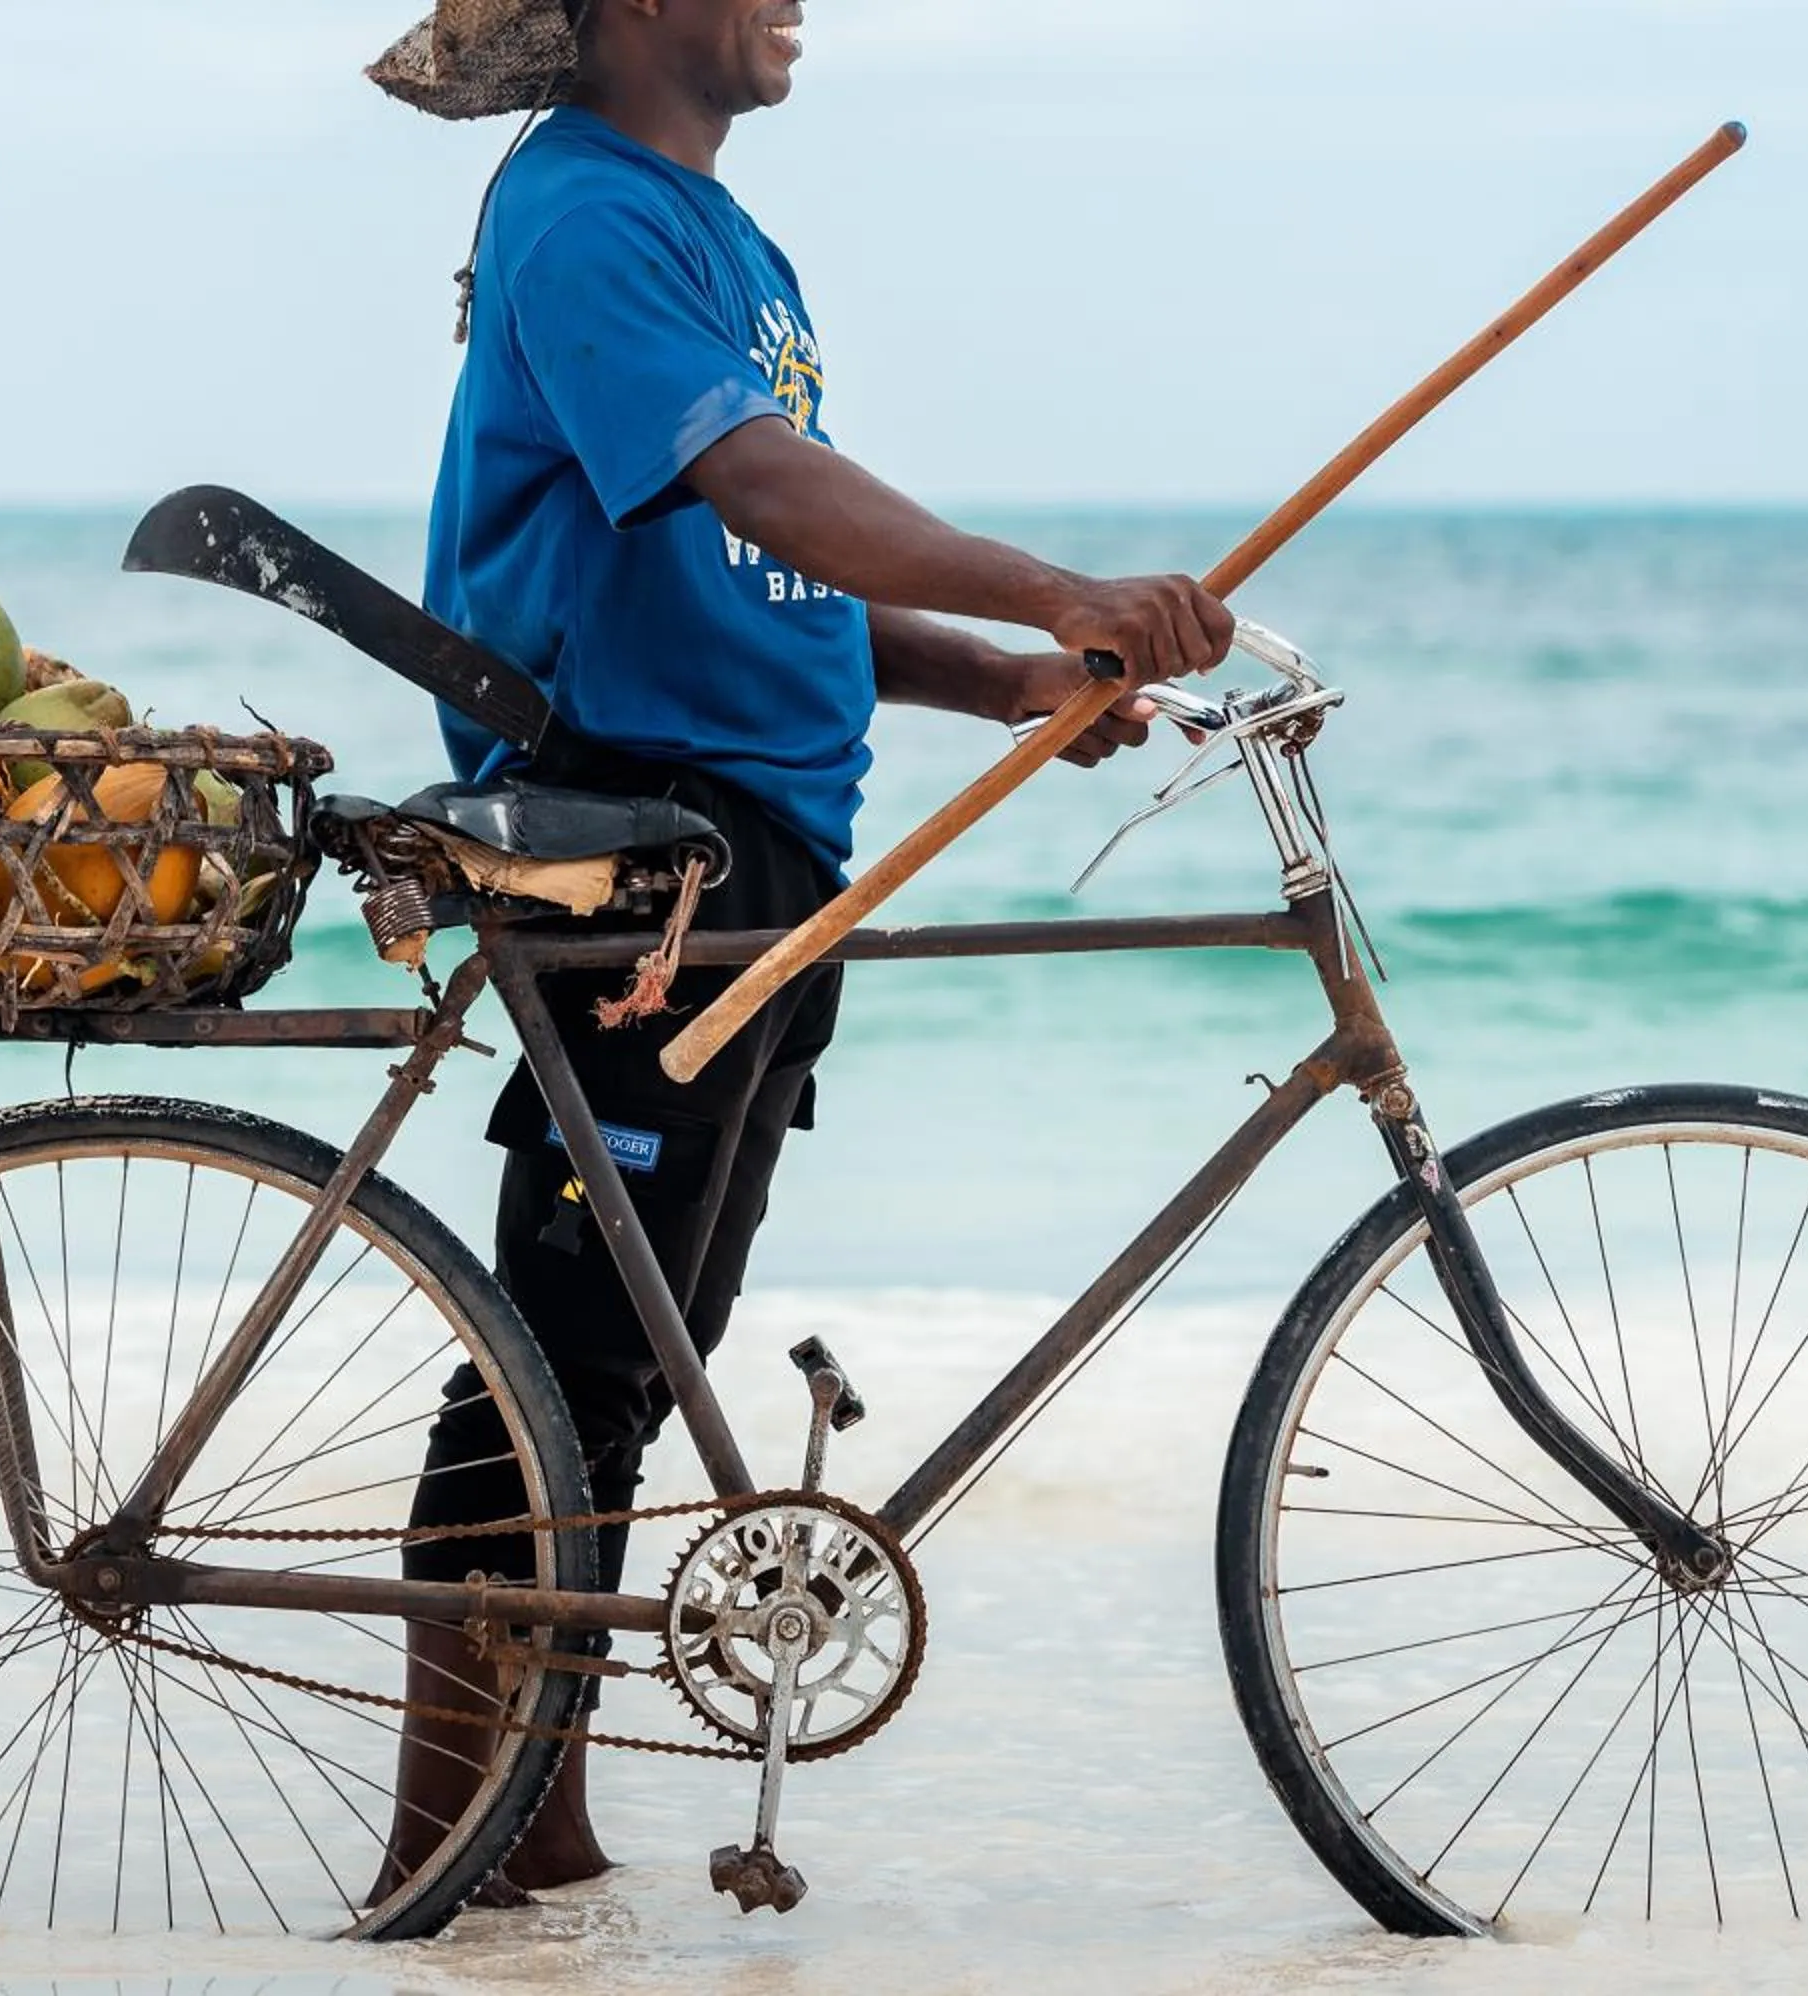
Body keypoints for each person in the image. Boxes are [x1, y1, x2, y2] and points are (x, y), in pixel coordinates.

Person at [363, 0, 1237, 1902]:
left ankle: (538, 1837)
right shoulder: (583, 212)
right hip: (639, 848)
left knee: (635, 1358)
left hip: (760, 847)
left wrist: (1002, 676)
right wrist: (1057, 587)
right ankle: (438, 1867)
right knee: (559, 1364)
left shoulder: (724, 239)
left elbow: (778, 570)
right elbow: (762, 486)